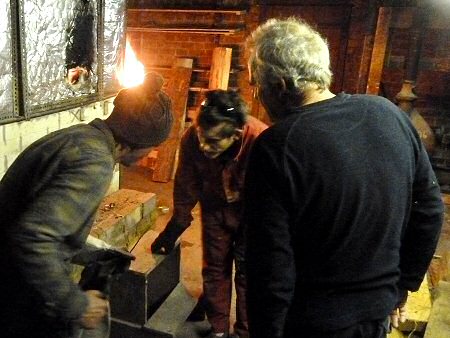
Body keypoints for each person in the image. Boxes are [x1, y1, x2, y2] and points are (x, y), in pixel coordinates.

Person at [243, 17, 444, 338]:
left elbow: (270, 269)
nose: (257, 96)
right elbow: (431, 210)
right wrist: (402, 287)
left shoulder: (277, 146)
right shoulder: (389, 113)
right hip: (378, 313)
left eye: (256, 85)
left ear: (277, 86)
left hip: (313, 324)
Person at [0, 71, 173, 338]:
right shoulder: (95, 163)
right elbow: (33, 237)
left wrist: (95, 250)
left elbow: (38, 217)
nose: (152, 153)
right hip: (16, 290)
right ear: (137, 142)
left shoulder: (78, 136)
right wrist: (77, 304)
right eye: (153, 146)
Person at [151, 89, 268, 338]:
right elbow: (186, 181)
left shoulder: (261, 141)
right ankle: (218, 329)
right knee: (215, 268)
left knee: (249, 274)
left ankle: (245, 331)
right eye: (202, 137)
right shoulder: (193, 138)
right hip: (215, 206)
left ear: (235, 135)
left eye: (213, 142)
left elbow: (274, 196)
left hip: (253, 214)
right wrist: (177, 222)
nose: (204, 146)